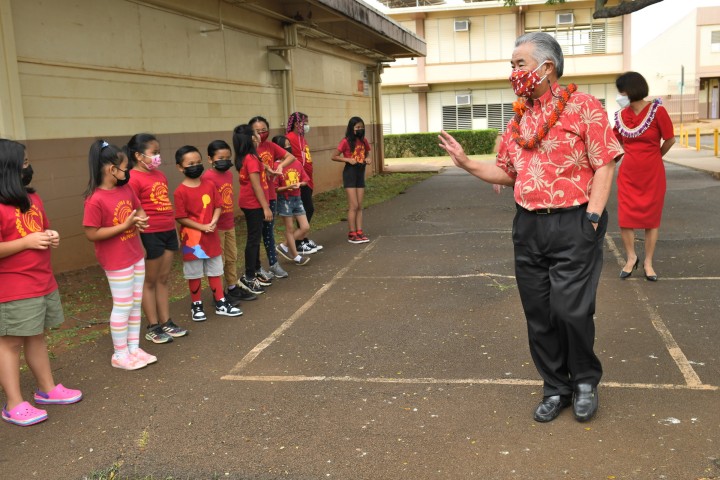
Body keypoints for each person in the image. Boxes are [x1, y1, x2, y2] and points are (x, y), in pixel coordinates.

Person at [438, 32, 623, 423]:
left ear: (547, 67)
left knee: (570, 311)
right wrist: (466, 162)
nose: (513, 71)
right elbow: (505, 171)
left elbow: (605, 161)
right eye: (512, 64)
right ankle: (556, 387)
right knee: (538, 312)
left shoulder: (583, 106)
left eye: (519, 64)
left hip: (575, 220)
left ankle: (586, 382)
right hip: (528, 225)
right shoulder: (518, 117)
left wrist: (593, 216)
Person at [0, 139, 82, 426]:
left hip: (42, 282)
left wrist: (50, 235)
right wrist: (26, 241)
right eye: (24, 163)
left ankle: (47, 390)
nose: (28, 167)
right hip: (13, 287)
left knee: (37, 336)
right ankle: (13, 403)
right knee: (9, 344)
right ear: (8, 167)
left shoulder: (33, 199)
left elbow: (41, 229)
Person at [83, 140, 156, 371]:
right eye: (125, 168)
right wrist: (125, 226)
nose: (128, 173)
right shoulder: (95, 199)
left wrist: (141, 220)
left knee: (135, 304)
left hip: (134, 254)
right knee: (123, 305)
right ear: (111, 169)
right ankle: (120, 353)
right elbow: (92, 233)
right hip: (116, 261)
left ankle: (133, 348)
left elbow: (139, 209)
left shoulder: (126, 188)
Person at [613, 71, 675, 282]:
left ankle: (648, 262)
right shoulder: (622, 115)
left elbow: (670, 139)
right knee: (626, 218)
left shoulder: (658, 111)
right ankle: (631, 258)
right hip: (628, 173)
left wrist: (657, 155)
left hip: (652, 173)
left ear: (630, 90)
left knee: (651, 219)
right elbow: (614, 142)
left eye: (621, 91)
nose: (619, 95)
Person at [126, 133, 187, 344]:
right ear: (138, 155)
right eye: (154, 153)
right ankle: (153, 326)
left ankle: (166, 321)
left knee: (163, 278)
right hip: (149, 234)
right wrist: (138, 241)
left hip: (167, 230)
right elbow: (132, 211)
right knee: (149, 281)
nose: (157, 157)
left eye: (159, 152)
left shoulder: (160, 175)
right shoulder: (132, 178)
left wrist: (174, 231)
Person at [173, 145, 242, 321]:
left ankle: (221, 302)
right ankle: (196, 305)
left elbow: (218, 206)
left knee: (215, 270)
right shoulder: (180, 191)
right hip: (192, 242)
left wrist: (213, 221)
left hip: (211, 237)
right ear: (180, 167)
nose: (195, 166)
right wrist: (201, 227)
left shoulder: (209, 185)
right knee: (194, 273)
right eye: (190, 163)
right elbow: (181, 217)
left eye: (198, 162)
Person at [203, 140, 257, 304]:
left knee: (231, 257)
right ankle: (217, 294)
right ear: (210, 159)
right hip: (215, 227)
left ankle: (232, 288)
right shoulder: (207, 178)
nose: (225, 161)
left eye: (228, 157)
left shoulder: (228, 174)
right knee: (219, 261)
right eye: (220, 157)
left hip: (228, 224)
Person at [249, 116, 296, 279]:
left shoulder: (270, 146)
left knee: (269, 232)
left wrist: (279, 166)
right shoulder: (250, 149)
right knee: (255, 235)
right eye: (257, 131)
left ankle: (273, 264)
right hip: (255, 198)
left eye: (264, 130)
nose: (261, 134)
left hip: (270, 195)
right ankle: (255, 269)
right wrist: (266, 167)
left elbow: (291, 157)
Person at [233, 125, 273, 296]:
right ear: (251, 138)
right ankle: (248, 276)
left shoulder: (249, 157)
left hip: (251, 202)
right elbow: (256, 186)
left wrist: (268, 168)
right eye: (256, 133)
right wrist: (266, 207)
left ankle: (255, 270)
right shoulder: (251, 158)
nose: (259, 135)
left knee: (255, 238)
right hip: (253, 204)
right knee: (254, 239)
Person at [271, 135, 312, 266]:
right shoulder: (276, 166)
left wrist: (301, 184)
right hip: (285, 200)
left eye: (289, 144)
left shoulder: (297, 163)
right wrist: (288, 187)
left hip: (297, 198)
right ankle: (296, 256)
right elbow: (275, 188)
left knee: (305, 227)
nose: (288, 147)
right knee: (289, 228)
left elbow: (306, 179)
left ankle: (283, 245)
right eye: (285, 145)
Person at [286, 112, 323, 254]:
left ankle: (304, 238)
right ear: (297, 124)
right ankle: (298, 241)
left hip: (308, 178)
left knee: (306, 210)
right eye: (305, 122)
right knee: (307, 209)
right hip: (299, 180)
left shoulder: (302, 138)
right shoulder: (289, 138)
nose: (307, 125)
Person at [331, 116, 372, 244]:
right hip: (350, 173)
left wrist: (368, 159)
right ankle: (352, 233)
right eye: (357, 127)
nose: (360, 129)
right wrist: (348, 159)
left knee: (359, 205)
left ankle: (359, 231)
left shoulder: (364, 140)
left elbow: (368, 153)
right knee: (353, 205)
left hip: (360, 172)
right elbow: (334, 156)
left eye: (362, 127)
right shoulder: (345, 141)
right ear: (351, 128)